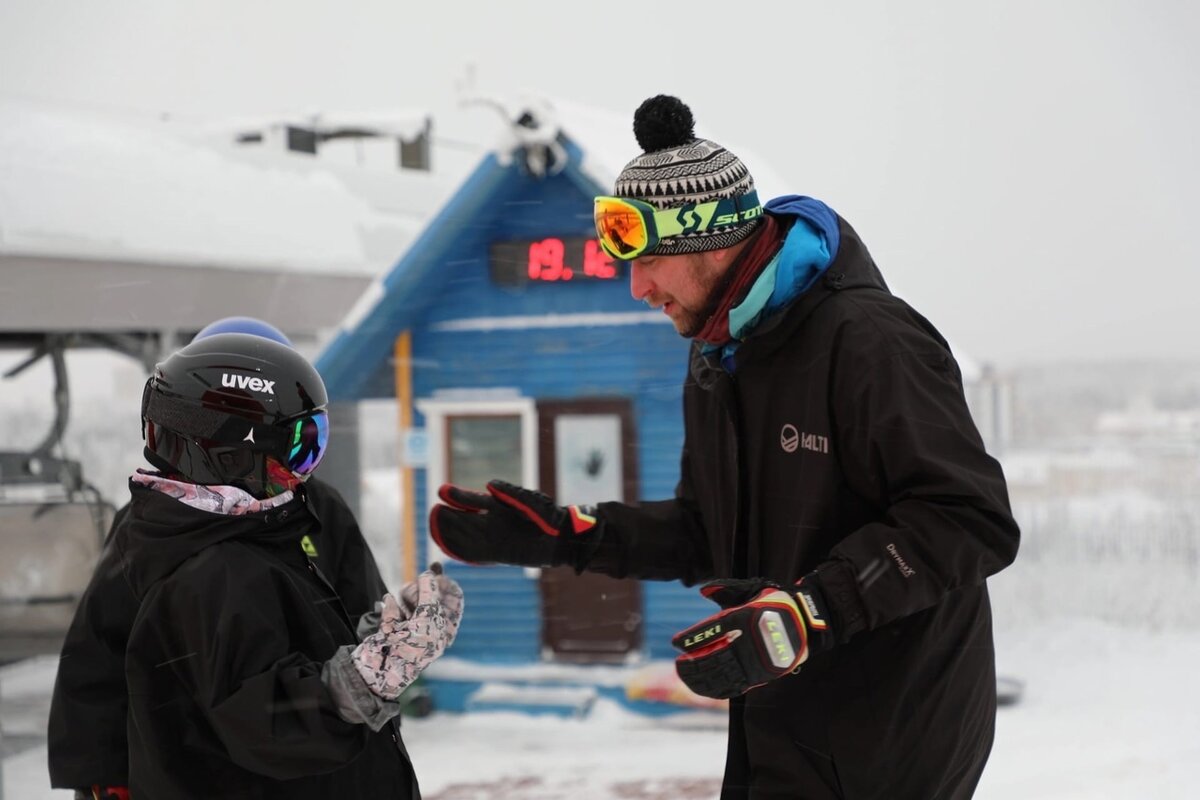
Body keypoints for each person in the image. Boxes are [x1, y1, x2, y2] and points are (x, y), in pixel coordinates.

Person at [429, 95, 1020, 800]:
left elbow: (969, 517)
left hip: (888, 733)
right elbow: (707, 529)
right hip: (782, 717)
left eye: (649, 262)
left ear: (707, 240)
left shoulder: (868, 341)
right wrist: (571, 536)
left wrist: (810, 612)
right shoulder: (721, 356)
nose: (638, 288)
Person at [51, 331, 461, 798]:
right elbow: (264, 723)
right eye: (302, 446)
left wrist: (372, 636)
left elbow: (270, 660)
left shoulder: (248, 539)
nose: (307, 469)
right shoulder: (211, 571)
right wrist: (364, 678)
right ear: (233, 452)